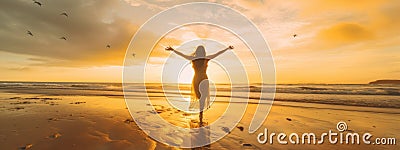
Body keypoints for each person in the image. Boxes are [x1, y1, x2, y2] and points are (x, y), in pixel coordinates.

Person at [165, 45, 234, 126]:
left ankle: (200, 116)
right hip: (201, 79)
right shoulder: (199, 58)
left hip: (200, 79)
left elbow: (217, 53)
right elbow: (217, 53)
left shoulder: (202, 58)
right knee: (201, 98)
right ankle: (201, 114)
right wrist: (227, 48)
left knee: (202, 98)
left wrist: (227, 48)